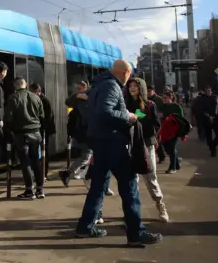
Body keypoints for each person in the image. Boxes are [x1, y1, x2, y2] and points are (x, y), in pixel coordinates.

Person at [75, 59, 162, 246]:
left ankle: (85, 227)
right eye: (130, 74)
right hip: (114, 143)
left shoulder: (99, 84)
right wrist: (128, 116)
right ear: (125, 72)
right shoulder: (111, 86)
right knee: (130, 188)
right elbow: (105, 112)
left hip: (100, 142)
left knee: (98, 187)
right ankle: (136, 233)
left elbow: (94, 111)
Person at [125, 78, 169, 223]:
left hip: (145, 144)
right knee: (131, 180)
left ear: (141, 88)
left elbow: (156, 125)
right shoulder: (124, 104)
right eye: (130, 86)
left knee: (150, 177)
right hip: (128, 145)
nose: (132, 88)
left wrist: (138, 119)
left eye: (135, 86)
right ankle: (132, 214)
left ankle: (160, 205)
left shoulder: (150, 104)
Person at [4, 76, 45, 200]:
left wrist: (9, 130)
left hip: (21, 134)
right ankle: (40, 190)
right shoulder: (36, 97)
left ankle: (29, 190)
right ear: (25, 84)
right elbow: (42, 115)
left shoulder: (13, 98)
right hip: (36, 132)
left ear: (15, 86)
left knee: (25, 162)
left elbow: (8, 118)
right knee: (36, 161)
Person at [191, 85, 218, 157]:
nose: (207, 92)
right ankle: (212, 151)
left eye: (209, 90)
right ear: (204, 92)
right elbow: (198, 109)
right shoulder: (201, 99)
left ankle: (214, 145)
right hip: (206, 120)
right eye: (206, 90)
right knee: (208, 137)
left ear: (211, 91)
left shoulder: (216, 98)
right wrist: (205, 116)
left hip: (216, 119)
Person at [30, 83, 56, 180]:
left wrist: (42, 128)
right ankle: (39, 172)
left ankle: (44, 173)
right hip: (38, 129)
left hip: (44, 130)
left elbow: (48, 117)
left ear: (37, 91)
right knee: (38, 151)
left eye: (33, 92)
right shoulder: (36, 99)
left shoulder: (45, 101)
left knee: (43, 151)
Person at [159, 90, 184, 174]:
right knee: (167, 148)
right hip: (165, 130)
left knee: (172, 148)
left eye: (165, 97)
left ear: (171, 97)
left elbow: (181, 119)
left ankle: (172, 168)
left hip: (174, 130)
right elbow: (160, 115)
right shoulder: (163, 106)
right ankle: (177, 163)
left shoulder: (177, 107)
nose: (164, 99)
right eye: (163, 97)